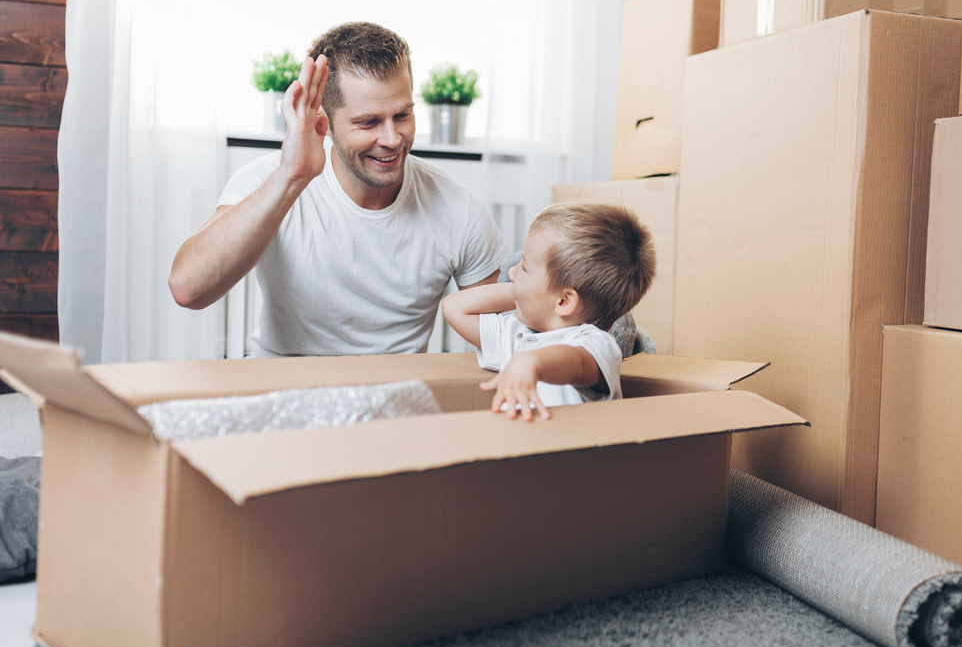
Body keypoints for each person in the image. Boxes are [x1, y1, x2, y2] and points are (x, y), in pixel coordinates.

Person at [168, 22, 507, 356]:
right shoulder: (272, 179)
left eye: (402, 115)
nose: (392, 139)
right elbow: (188, 289)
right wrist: (291, 178)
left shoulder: (457, 206)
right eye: (368, 122)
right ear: (324, 123)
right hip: (284, 387)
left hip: (393, 397)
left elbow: (508, 331)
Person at [442, 203, 656, 421]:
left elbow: (576, 363)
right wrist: (522, 290)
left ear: (563, 300)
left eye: (524, 267)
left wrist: (530, 363)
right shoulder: (515, 333)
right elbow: (454, 307)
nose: (511, 272)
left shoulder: (596, 343)